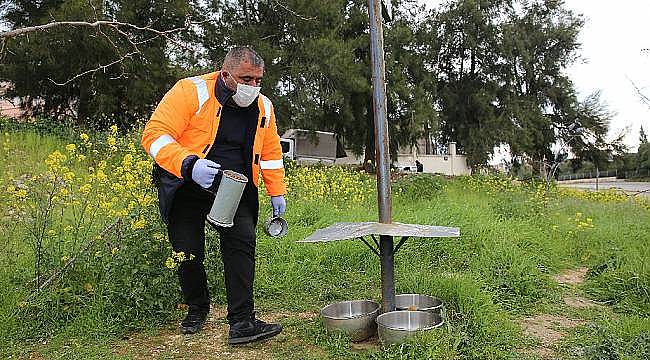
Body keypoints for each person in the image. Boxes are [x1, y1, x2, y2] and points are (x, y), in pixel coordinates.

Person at [141, 46, 287, 344]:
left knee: (241, 246)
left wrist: (277, 191)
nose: (252, 87)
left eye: (258, 80)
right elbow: (154, 135)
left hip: (234, 186)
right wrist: (188, 164)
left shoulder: (264, 107)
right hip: (187, 183)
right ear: (225, 74)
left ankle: (242, 322)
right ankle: (197, 308)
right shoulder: (190, 91)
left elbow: (271, 153)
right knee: (187, 250)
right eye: (246, 79)